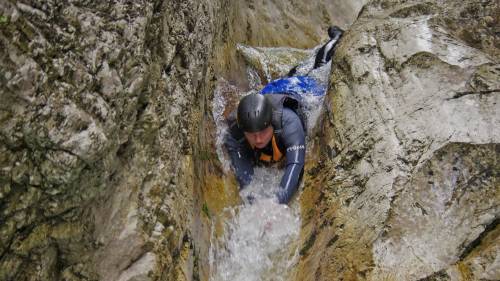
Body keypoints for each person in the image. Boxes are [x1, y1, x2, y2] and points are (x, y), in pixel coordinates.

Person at [224, 93, 306, 204]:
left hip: (298, 91)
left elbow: (296, 164)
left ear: (272, 124)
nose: (258, 139)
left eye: (263, 132)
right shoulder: (234, 131)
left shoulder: (289, 123)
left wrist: (276, 203)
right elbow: (245, 179)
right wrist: (255, 204)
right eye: (251, 134)